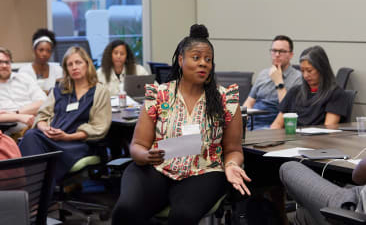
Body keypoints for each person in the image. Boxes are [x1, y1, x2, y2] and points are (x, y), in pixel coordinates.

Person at [112, 24, 251, 225]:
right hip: (156, 168)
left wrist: (231, 164)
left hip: (204, 171)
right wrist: (145, 155)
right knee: (125, 211)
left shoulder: (225, 99)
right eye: (196, 58)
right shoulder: (159, 95)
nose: (203, 63)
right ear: (180, 60)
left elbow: (233, 149)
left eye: (208, 59)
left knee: (183, 216)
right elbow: (137, 145)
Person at [18, 46, 111, 183]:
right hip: (52, 139)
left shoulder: (99, 91)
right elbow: (42, 116)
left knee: (37, 149)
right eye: (70, 64)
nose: (74, 67)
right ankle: (35, 191)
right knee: (31, 135)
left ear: (87, 64)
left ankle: (36, 194)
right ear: (66, 69)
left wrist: (67, 137)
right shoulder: (59, 90)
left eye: (78, 62)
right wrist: (45, 129)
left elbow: (99, 127)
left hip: (77, 144)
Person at [271, 46, 348, 128]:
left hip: (318, 139)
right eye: (302, 71)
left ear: (322, 69)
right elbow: (277, 124)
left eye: (309, 70)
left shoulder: (335, 93)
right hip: (292, 139)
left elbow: (329, 128)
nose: (305, 75)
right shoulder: (294, 92)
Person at [280, 159, 366, 225]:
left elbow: (357, 177)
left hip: (354, 208)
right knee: (303, 214)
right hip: (359, 194)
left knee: (288, 167)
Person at [0, 47, 46, 137]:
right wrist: (20, 117)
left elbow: (43, 102)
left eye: (7, 62)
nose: (4, 65)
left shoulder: (24, 78)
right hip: (13, 133)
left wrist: (15, 113)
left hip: (41, 124)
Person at [243, 35, 301, 130]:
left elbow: (288, 109)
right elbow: (249, 102)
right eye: (274, 51)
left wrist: (279, 82)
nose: (277, 54)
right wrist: (242, 124)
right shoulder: (263, 74)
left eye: (282, 51)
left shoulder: (297, 78)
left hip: (274, 124)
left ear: (291, 55)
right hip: (252, 122)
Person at [18, 28, 63, 94]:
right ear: (34, 50)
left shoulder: (58, 70)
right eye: (41, 50)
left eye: (48, 51)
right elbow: (23, 94)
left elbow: (60, 93)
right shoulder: (24, 71)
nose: (44, 54)